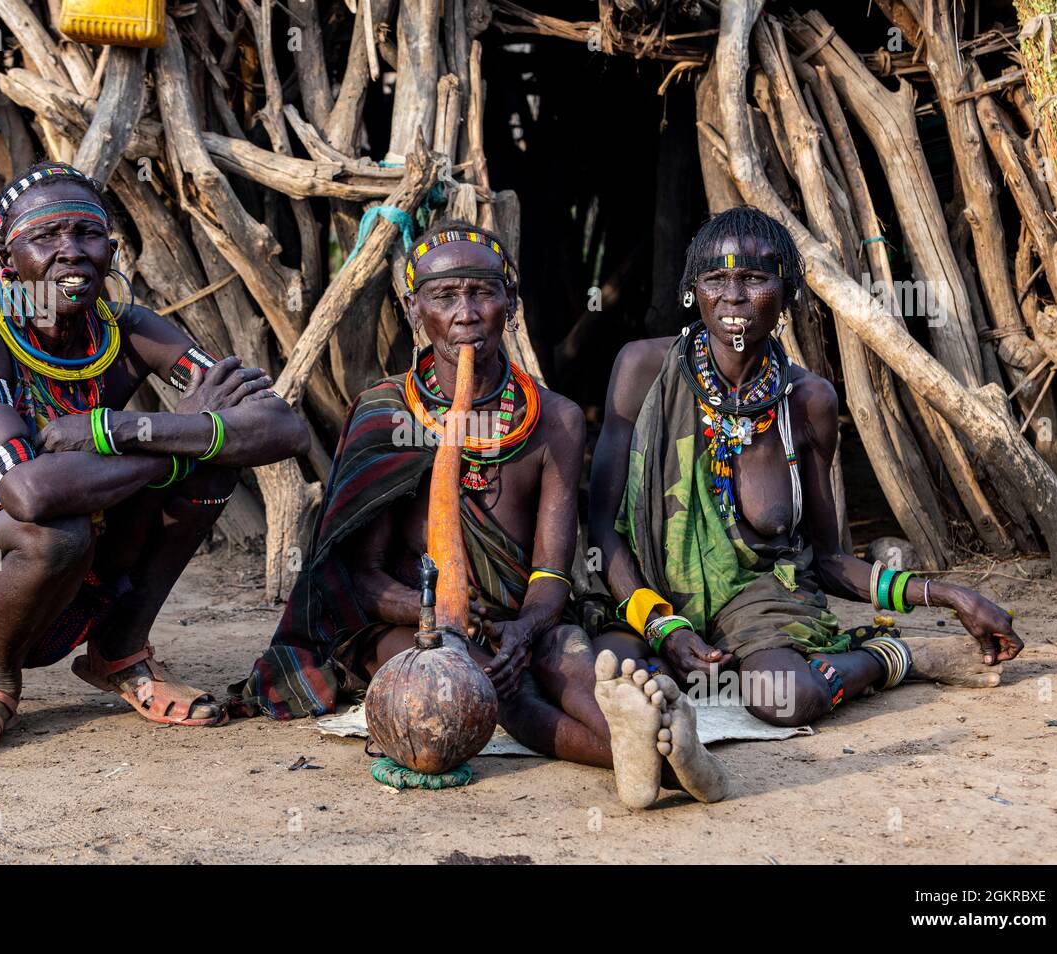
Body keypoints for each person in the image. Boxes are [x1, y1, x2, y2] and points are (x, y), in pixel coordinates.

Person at [230, 221, 728, 809]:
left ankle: (636, 731)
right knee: (475, 688)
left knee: (569, 656)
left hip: (519, 620)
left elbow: (550, 570)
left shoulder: (556, 419)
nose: (466, 312)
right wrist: (441, 619)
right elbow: (361, 576)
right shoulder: (384, 414)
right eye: (444, 297)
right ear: (416, 311)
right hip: (410, 626)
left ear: (510, 306)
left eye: (483, 293)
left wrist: (527, 626)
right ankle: (663, 764)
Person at [0, 161, 309, 756]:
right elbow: (29, 494)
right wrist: (182, 441)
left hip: (80, 577)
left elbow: (282, 427)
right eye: (46, 237)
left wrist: (115, 426)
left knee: (210, 464)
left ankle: (119, 654)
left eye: (87, 235)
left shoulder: (128, 329)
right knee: (58, 527)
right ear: (5, 263)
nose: (71, 252)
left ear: (112, 250)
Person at [588, 206, 1024, 739]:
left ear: (789, 293)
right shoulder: (642, 370)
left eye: (752, 279)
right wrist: (662, 624)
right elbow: (603, 532)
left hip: (760, 601)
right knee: (622, 681)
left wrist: (950, 594)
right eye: (715, 279)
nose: (732, 296)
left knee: (790, 698)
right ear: (691, 291)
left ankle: (897, 656)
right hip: (646, 591)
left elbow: (828, 559)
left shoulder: (807, 401)